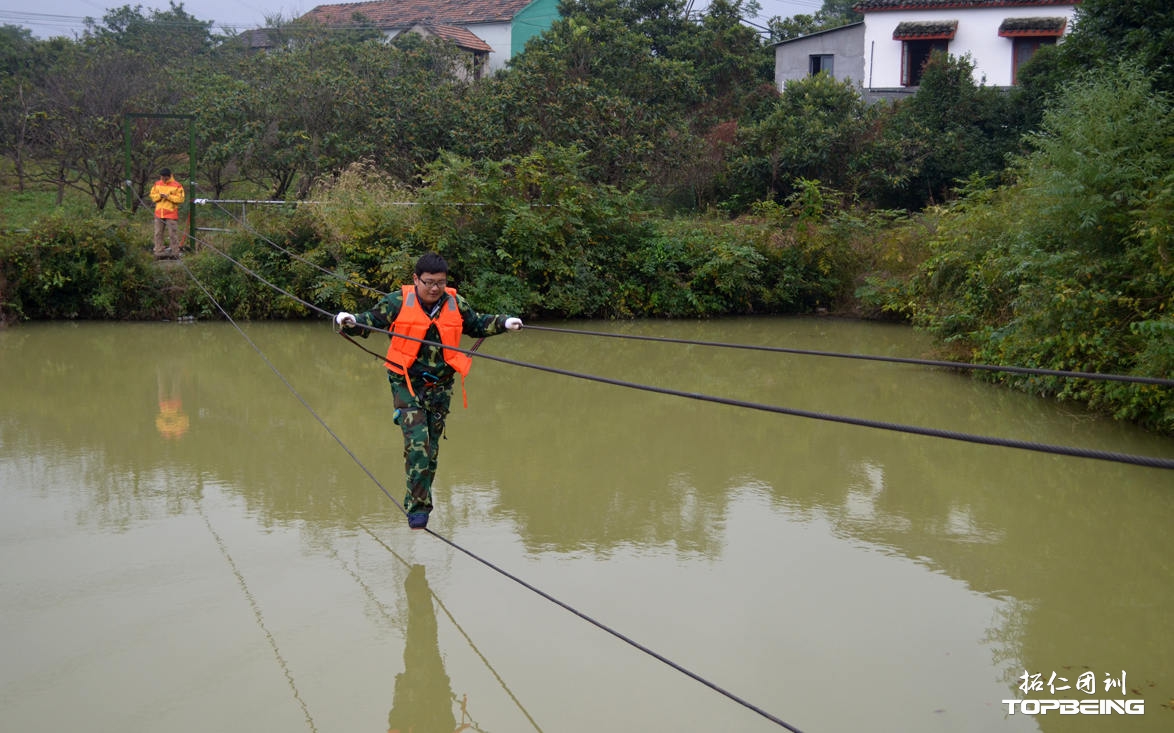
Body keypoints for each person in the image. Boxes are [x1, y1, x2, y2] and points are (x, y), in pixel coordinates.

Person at [335, 252, 523, 530]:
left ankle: (420, 494)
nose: (435, 288)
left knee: (431, 449)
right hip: (406, 382)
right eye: (429, 282)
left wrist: (505, 323)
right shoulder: (397, 302)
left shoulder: (454, 303)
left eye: (441, 283)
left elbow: (476, 323)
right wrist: (348, 320)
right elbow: (369, 320)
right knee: (419, 444)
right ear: (416, 279)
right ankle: (418, 508)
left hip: (440, 386)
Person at [149, 168, 185, 259]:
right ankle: (158, 250)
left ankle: (175, 252)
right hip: (159, 213)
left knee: (172, 233)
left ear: (169, 176)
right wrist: (159, 196)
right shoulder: (157, 184)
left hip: (171, 213)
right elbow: (152, 195)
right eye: (162, 177)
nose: (163, 179)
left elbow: (180, 199)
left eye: (165, 177)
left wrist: (168, 197)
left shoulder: (177, 185)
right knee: (158, 233)